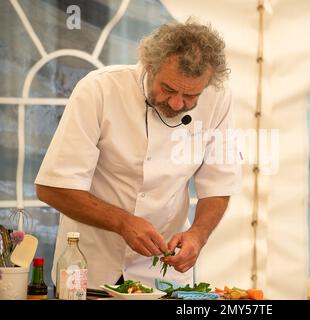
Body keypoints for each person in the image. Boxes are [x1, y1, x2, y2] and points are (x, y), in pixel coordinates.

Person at [35, 18, 241, 289]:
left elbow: (219, 183)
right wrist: (123, 222)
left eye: (191, 96)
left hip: (165, 270)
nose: (178, 103)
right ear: (149, 65)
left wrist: (198, 235)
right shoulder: (99, 89)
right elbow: (52, 188)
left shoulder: (218, 98)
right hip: (89, 263)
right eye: (168, 89)